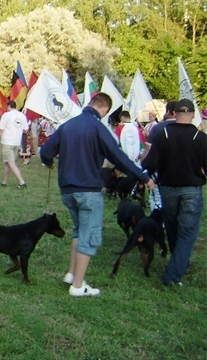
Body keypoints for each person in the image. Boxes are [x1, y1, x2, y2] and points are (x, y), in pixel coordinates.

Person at [40, 93, 154, 296]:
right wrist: (143, 177)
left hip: (67, 189)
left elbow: (46, 151)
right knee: (89, 235)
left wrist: (49, 161)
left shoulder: (67, 125)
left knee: (78, 230)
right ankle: (78, 286)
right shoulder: (98, 127)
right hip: (88, 190)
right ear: (104, 110)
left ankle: (71, 274)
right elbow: (118, 157)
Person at [142, 99, 206, 286]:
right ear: (193, 115)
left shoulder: (163, 134)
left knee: (172, 228)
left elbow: (149, 163)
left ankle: (179, 264)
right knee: (187, 232)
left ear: (174, 113)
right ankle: (173, 273)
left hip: (168, 188)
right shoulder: (201, 138)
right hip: (191, 190)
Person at [0, 101, 28, 188]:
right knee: (8, 163)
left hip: (8, 142)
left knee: (11, 163)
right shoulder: (22, 115)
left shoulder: (6, 115)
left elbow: (0, 130)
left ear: (8, 106)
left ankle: (22, 182)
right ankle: (4, 182)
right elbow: (25, 130)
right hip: (16, 142)